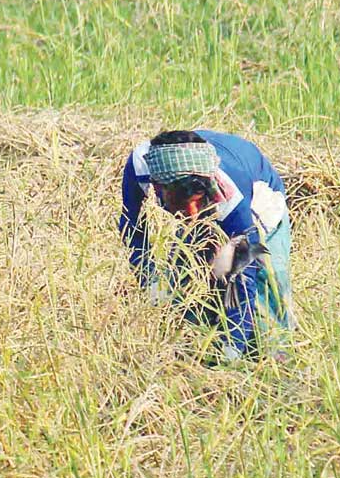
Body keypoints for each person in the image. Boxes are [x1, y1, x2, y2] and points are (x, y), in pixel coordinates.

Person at [118, 129, 292, 362]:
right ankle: (192, 354)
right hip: (205, 199)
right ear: (159, 188)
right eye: (182, 203)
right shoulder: (141, 165)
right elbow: (133, 228)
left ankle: (274, 361)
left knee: (265, 299)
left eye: (197, 202)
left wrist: (232, 348)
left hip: (260, 203)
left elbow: (245, 274)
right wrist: (151, 283)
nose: (191, 215)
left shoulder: (232, 196)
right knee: (185, 286)